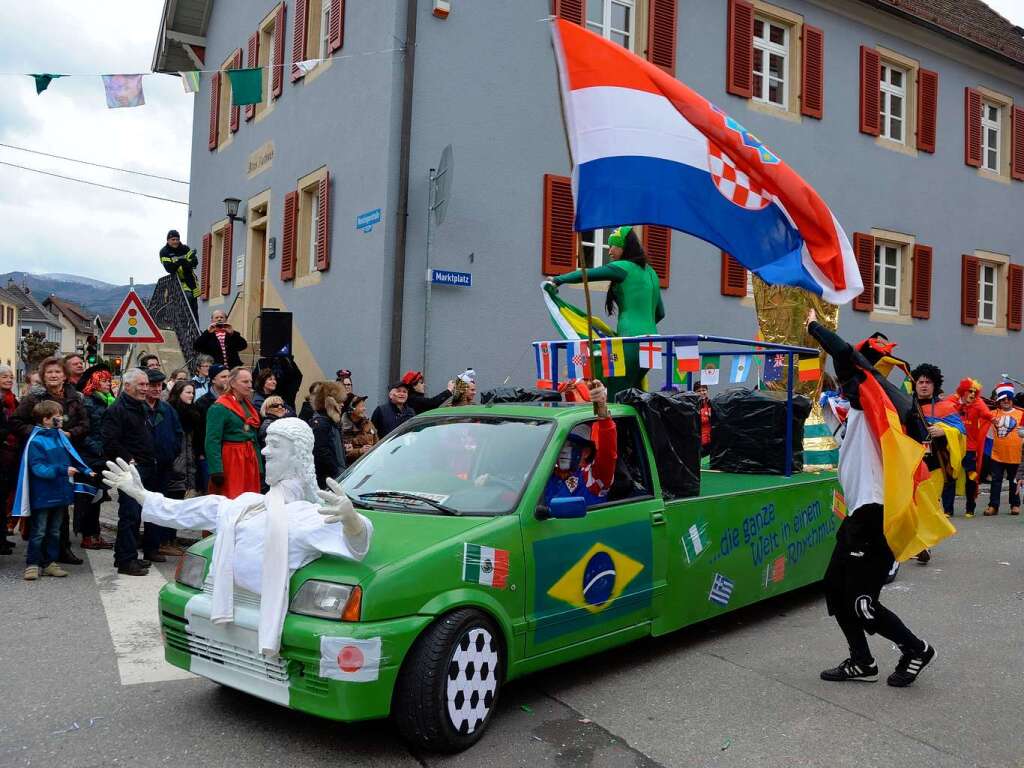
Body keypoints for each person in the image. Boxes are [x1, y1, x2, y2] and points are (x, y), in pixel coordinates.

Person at [102, 418, 372, 656]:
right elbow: (186, 511)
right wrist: (140, 494)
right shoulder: (245, 505)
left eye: (275, 444)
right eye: (265, 442)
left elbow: (358, 544)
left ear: (297, 454)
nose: (264, 450)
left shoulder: (306, 516)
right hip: (230, 612)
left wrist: (352, 520)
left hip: (268, 618)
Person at [806, 309, 940, 688]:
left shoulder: (875, 406)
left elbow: (849, 358)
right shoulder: (851, 413)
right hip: (858, 517)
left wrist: (815, 327)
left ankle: (916, 649)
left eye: (851, 378)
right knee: (835, 590)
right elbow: (819, 400)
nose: (845, 383)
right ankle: (862, 661)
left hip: (876, 517)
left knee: (864, 604)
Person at [545, 226, 665, 396]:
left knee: (616, 395)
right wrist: (643, 327)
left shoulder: (623, 267)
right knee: (635, 394)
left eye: (613, 246)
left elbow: (589, 274)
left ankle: (617, 423)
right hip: (653, 342)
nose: (609, 252)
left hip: (629, 341)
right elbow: (661, 312)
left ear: (624, 247)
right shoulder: (651, 272)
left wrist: (558, 280)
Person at [10, 356, 89, 565]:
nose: (54, 376)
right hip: (42, 456)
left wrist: (71, 434)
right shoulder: (34, 398)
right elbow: (16, 422)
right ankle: (39, 555)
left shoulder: (75, 397)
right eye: (49, 373)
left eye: (57, 372)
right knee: (44, 508)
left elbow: (85, 423)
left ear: (65, 375)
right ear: (44, 377)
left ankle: (62, 550)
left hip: (66, 457)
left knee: (62, 506)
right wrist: (41, 434)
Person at [14, 401, 92, 580]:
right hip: (43, 494)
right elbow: (37, 468)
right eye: (57, 416)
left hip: (60, 492)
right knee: (39, 530)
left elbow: (73, 457)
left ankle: (50, 563)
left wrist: (87, 471)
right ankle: (32, 564)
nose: (61, 418)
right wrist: (61, 471)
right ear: (45, 419)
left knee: (55, 531)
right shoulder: (37, 440)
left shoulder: (60, 436)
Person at [102, 369, 159, 576]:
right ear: (127, 387)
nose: (145, 388)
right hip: (131, 471)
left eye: (146, 384)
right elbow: (109, 441)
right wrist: (129, 460)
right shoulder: (116, 410)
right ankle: (126, 561)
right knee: (130, 515)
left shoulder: (140, 407)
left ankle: (127, 556)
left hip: (145, 467)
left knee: (137, 514)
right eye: (141, 385)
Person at [543, 380, 617, 507]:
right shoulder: (544, 474)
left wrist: (602, 410)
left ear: (586, 452)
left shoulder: (592, 477)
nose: (563, 450)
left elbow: (608, 455)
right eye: (561, 444)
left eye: (570, 445)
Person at [205, 367, 262, 499]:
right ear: (232, 383)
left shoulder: (248, 406)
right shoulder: (219, 407)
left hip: (249, 458)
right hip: (232, 459)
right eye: (245, 382)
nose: (249, 385)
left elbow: (253, 439)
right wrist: (216, 470)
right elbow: (212, 441)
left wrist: (259, 467)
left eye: (250, 381)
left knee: (251, 499)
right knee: (233, 497)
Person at [942, 378, 993, 518]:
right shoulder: (952, 403)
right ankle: (947, 509)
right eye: (969, 391)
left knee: (971, 477)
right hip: (953, 447)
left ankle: (970, 507)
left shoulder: (977, 405)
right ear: (963, 391)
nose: (972, 394)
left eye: (975, 392)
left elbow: (988, 414)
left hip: (970, 449)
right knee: (950, 477)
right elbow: (942, 407)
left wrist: (995, 419)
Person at [78, 368, 115, 550]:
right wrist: (99, 449)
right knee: (90, 498)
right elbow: (84, 431)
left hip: (104, 456)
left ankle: (95, 534)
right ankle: (87, 536)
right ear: (95, 383)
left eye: (109, 381)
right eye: (104, 381)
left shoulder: (109, 401)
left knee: (99, 498)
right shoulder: (89, 402)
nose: (108, 384)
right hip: (92, 457)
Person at [985, 383, 1022, 516]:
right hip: (997, 455)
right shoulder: (991, 414)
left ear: (1012, 399)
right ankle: (993, 505)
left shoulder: (1022, 414)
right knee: (996, 481)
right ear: (998, 401)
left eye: (1008, 399)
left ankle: (1015, 504)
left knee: (1014, 482)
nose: (1006, 401)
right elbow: (985, 433)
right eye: (1003, 399)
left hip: (1016, 455)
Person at [167, 381, 200, 511]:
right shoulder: (169, 412)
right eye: (188, 392)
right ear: (178, 393)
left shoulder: (193, 413)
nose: (191, 395)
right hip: (174, 467)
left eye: (193, 393)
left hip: (187, 466)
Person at [310, 381, 347, 489]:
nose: (342, 404)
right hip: (328, 481)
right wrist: (336, 472)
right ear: (331, 402)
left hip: (334, 478)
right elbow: (322, 453)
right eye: (339, 401)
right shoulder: (321, 423)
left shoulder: (330, 422)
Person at [160, 229, 200, 322]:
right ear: (168, 240)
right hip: (177, 282)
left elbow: (194, 263)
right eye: (173, 239)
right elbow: (169, 268)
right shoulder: (164, 251)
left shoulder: (185, 248)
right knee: (186, 302)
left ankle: (195, 330)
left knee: (194, 308)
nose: (175, 242)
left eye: (177, 239)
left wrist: (183, 261)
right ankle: (185, 327)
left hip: (191, 282)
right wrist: (182, 261)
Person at [0, 364, 19, 553]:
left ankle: (2, 537)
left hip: (12, 451)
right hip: (3, 449)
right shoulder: (2, 400)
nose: (9, 379)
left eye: (10, 376)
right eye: (4, 376)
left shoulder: (13, 399)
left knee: (6, 496)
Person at [342, 395, 378, 464]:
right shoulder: (343, 428)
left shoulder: (368, 423)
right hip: (354, 468)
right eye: (361, 406)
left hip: (370, 463)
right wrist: (360, 451)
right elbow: (344, 453)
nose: (364, 409)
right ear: (352, 409)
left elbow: (377, 441)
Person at [696, 383, 712, 456]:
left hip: (711, 440)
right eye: (699, 391)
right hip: (699, 442)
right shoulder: (693, 405)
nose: (702, 392)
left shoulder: (711, 403)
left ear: (707, 391)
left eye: (704, 390)